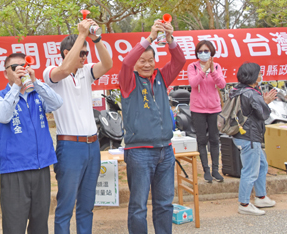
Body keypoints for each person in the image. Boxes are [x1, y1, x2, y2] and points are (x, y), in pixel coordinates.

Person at [42, 19, 113, 234]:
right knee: (65, 206)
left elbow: (108, 65)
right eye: (81, 53)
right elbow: (64, 70)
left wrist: (96, 39)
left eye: (86, 54)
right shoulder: (51, 73)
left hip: (93, 146)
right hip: (70, 146)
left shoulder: (86, 72)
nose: (84, 57)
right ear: (66, 52)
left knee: (87, 206)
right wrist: (81, 35)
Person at [118, 20, 186, 234]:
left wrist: (169, 38)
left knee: (165, 203)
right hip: (139, 152)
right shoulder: (128, 81)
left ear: (155, 61)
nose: (146, 65)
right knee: (138, 206)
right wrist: (148, 38)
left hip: (165, 151)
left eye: (150, 60)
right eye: (142, 61)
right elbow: (127, 63)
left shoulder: (162, 78)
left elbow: (179, 60)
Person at [0, 52, 63, 234]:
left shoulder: (36, 94)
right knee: (14, 226)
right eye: (15, 67)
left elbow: (57, 103)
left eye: (24, 66)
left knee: (40, 225)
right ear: (5, 73)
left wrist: (35, 81)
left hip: (40, 168)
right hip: (15, 170)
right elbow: (3, 116)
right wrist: (16, 87)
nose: (20, 70)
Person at [231, 63, 277, 216]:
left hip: (242, 135)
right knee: (250, 171)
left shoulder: (238, 90)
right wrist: (267, 102)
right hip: (250, 137)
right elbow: (263, 114)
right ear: (252, 76)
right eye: (259, 73)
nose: (261, 75)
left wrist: (262, 101)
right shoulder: (251, 93)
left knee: (262, 165)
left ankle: (261, 196)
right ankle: (244, 204)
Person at [187, 40, 226, 183]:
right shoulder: (192, 67)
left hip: (214, 108)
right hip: (198, 109)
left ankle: (216, 170)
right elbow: (193, 83)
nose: (203, 54)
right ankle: (206, 170)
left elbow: (222, 84)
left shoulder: (216, 66)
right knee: (202, 139)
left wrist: (213, 71)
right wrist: (203, 70)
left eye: (206, 51)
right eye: (201, 51)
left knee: (215, 139)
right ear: (197, 53)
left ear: (211, 52)